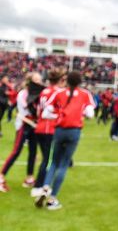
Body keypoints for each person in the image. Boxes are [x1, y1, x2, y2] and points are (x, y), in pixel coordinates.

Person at [35, 71, 95, 210]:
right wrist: (80, 114)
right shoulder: (85, 94)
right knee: (63, 164)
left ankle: (45, 187)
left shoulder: (59, 93)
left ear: (66, 81)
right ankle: (52, 198)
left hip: (60, 130)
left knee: (54, 162)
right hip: (74, 131)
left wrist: (59, 116)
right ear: (80, 81)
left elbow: (46, 112)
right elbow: (90, 114)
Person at [0, 72, 43, 192]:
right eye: (36, 80)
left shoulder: (40, 94)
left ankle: (29, 178)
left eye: (40, 80)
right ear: (30, 81)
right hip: (24, 124)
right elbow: (29, 109)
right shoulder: (23, 94)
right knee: (16, 151)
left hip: (34, 125)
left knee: (33, 152)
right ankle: (1, 176)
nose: (39, 82)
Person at [30, 68, 66, 197]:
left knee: (46, 158)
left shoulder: (44, 91)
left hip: (40, 126)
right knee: (49, 160)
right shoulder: (58, 92)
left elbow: (39, 109)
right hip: (48, 128)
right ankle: (39, 186)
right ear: (61, 80)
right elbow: (51, 110)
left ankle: (40, 184)